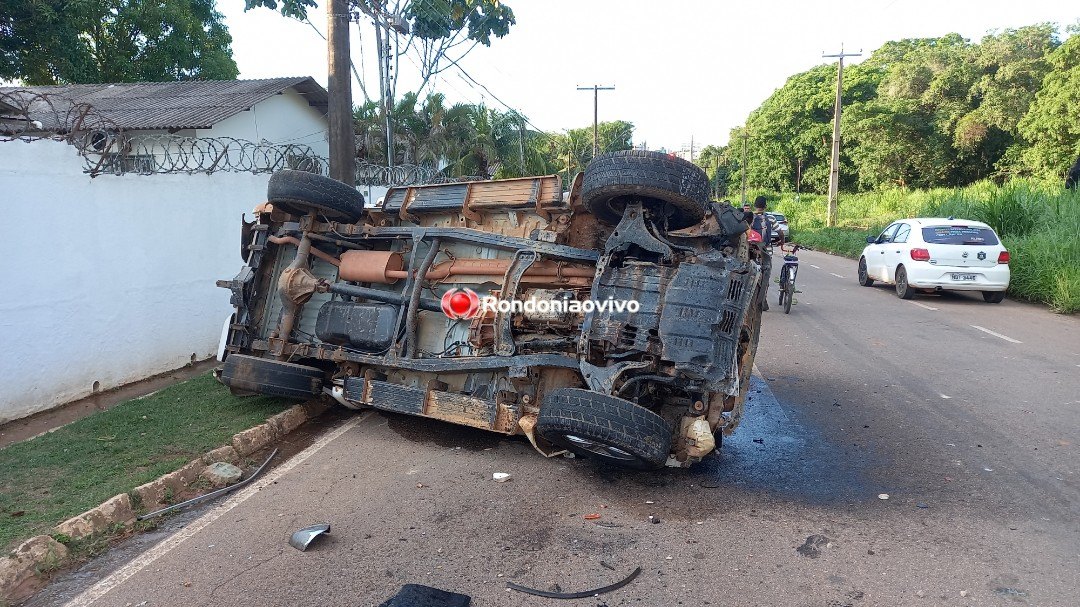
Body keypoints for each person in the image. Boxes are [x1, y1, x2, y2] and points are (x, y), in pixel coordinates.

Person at [750, 196, 782, 310]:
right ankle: (763, 300)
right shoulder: (771, 218)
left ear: (754, 205)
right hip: (765, 250)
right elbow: (780, 232)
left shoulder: (749, 217)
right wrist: (781, 241)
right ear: (765, 206)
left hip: (751, 250)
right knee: (765, 274)